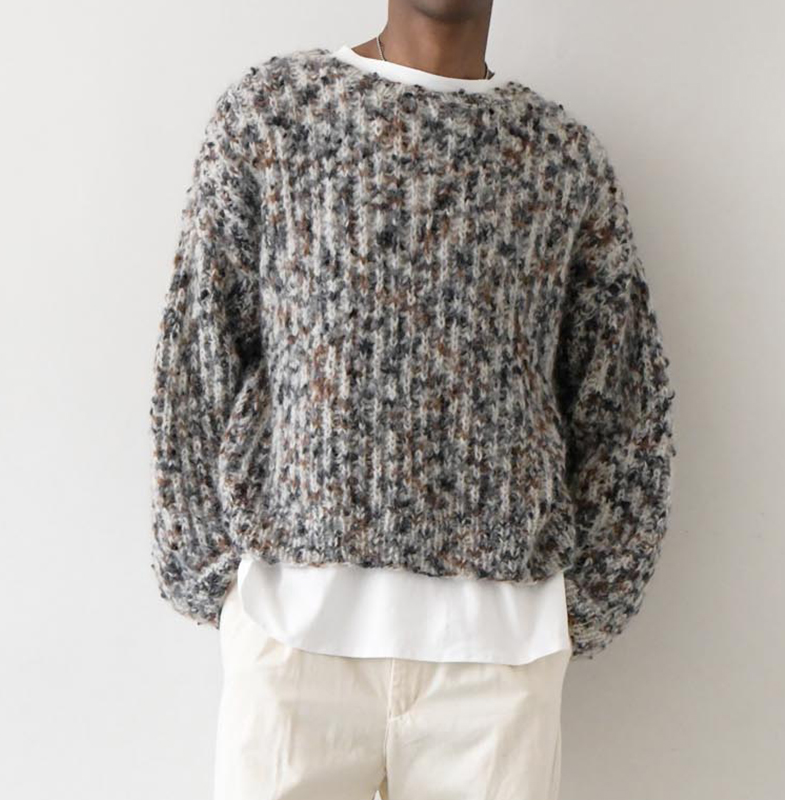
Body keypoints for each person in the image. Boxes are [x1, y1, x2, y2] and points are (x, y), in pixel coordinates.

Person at [149, 4, 676, 799]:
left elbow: (625, 397)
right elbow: (197, 351)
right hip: (293, 643)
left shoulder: (561, 158)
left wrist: (589, 601)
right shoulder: (273, 115)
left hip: (497, 664)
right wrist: (213, 576)